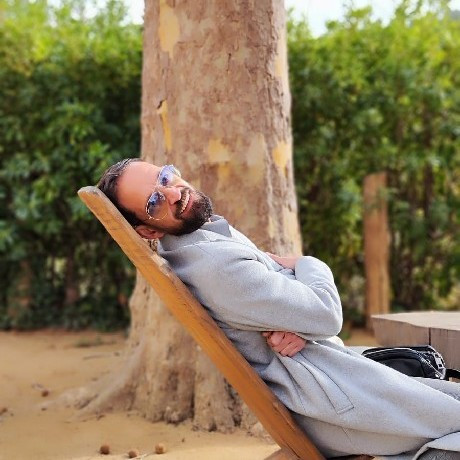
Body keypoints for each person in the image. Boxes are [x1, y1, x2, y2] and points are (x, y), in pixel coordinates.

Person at [97, 159, 460, 460]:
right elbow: (326, 313)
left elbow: (301, 314)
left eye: (164, 177)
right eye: (154, 202)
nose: (175, 193)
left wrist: (298, 325)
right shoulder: (215, 265)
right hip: (336, 405)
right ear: (149, 231)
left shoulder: (198, 242)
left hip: (327, 377)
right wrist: (307, 263)